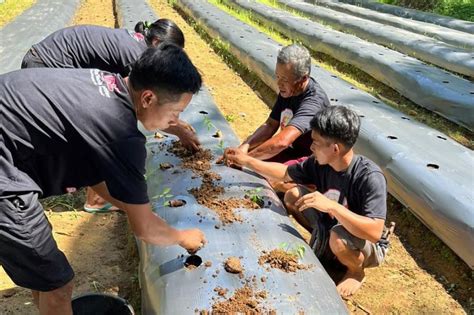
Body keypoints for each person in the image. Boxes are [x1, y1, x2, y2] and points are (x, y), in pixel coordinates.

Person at [0, 43, 206, 314]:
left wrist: (132, 206)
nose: (175, 121)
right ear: (147, 98)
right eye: (175, 113)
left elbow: (95, 175)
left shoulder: (106, 83)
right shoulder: (120, 133)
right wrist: (182, 237)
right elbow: (144, 230)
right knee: (58, 284)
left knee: (46, 270)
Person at [21, 19, 200, 211]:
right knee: (102, 130)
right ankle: (95, 200)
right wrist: (179, 131)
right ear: (157, 43)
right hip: (45, 65)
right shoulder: (138, 56)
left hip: (43, 61)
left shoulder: (139, 44)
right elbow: (143, 104)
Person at [224, 106, 388, 298]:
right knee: (293, 195)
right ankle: (325, 241)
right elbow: (285, 173)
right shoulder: (319, 163)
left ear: (335, 149)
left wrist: (332, 206)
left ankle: (355, 271)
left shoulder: (368, 176)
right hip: (334, 223)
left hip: (364, 241)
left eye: (316, 143)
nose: (311, 147)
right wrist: (247, 161)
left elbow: (375, 232)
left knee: (338, 236)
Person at [223, 44, 329, 191]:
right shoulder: (289, 90)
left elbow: (283, 141)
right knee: (253, 168)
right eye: (277, 76)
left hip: (310, 160)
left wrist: (246, 159)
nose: (279, 83)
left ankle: (306, 188)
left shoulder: (313, 102)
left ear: (303, 78)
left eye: (284, 79)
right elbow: (270, 125)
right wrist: (245, 147)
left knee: (268, 178)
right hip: (291, 152)